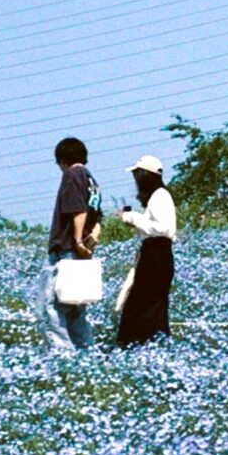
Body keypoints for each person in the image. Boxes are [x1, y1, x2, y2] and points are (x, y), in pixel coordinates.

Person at [41, 137, 101, 351]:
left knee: (51, 307)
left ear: (62, 159)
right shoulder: (91, 180)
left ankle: (63, 356)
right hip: (82, 253)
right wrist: (88, 245)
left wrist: (77, 240)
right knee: (75, 308)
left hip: (67, 250)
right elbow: (97, 219)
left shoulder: (72, 175)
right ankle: (86, 354)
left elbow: (79, 210)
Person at [114, 156, 176, 346]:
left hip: (156, 254)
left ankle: (136, 344)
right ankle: (154, 345)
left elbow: (162, 228)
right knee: (150, 305)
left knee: (140, 304)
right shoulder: (158, 196)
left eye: (137, 175)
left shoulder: (160, 196)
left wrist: (130, 217)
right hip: (156, 254)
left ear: (144, 176)